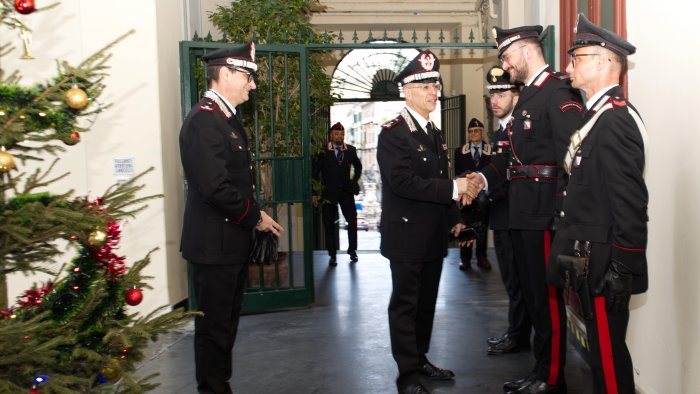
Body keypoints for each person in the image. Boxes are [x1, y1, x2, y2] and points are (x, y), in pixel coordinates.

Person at [465, 26, 583, 393]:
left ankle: (551, 378)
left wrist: (562, 215)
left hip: (543, 214)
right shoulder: (531, 95)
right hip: (522, 213)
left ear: (525, 51)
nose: (505, 64)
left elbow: (576, 158)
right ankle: (540, 370)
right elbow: (514, 161)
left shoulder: (557, 91)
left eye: (506, 56)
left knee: (547, 302)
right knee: (533, 298)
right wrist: (481, 181)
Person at [549, 14, 648, 394]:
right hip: (588, 260)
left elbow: (630, 201)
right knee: (600, 360)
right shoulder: (596, 117)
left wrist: (623, 268)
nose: (569, 66)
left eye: (578, 57)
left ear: (605, 62)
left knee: (608, 363)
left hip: (605, 263)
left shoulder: (615, 121)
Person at [179, 42, 284, 394]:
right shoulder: (203, 121)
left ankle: (218, 386)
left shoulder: (222, 119)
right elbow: (215, 187)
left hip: (227, 242)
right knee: (214, 329)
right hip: (214, 246)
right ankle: (212, 389)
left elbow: (230, 183)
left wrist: (256, 214)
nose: (252, 85)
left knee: (224, 325)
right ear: (223, 73)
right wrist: (254, 217)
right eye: (247, 76)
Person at [377, 49, 471, 394]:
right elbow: (402, 182)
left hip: (432, 235)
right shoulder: (393, 133)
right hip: (405, 236)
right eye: (424, 85)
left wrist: (457, 220)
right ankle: (407, 376)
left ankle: (420, 359)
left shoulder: (434, 131)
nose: (434, 92)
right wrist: (453, 188)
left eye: (435, 85)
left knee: (427, 302)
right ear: (406, 90)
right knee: (405, 305)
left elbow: (440, 181)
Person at [482, 66, 532, 356]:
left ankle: (518, 336)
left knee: (518, 281)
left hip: (517, 216)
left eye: (502, 93)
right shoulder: (501, 129)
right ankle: (516, 332)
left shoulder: (520, 130)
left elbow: (515, 176)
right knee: (511, 280)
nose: (495, 100)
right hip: (502, 215)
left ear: (517, 94)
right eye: (492, 95)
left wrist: (485, 189)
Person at [312, 122, 363, 266]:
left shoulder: (351, 150)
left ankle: (352, 251)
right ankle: (332, 255)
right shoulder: (322, 151)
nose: (339, 136)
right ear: (331, 135)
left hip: (346, 192)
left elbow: (358, 166)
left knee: (352, 222)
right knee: (328, 225)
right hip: (328, 194)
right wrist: (315, 193)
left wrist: (354, 181)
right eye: (336, 134)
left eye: (342, 134)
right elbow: (315, 173)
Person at [453, 117, 492, 271]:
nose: (474, 134)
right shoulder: (460, 151)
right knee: (465, 227)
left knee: (482, 227)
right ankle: (465, 259)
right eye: (471, 132)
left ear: (482, 133)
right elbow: (457, 174)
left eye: (477, 131)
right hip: (466, 196)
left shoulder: (491, 150)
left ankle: (482, 258)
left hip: (484, 195)